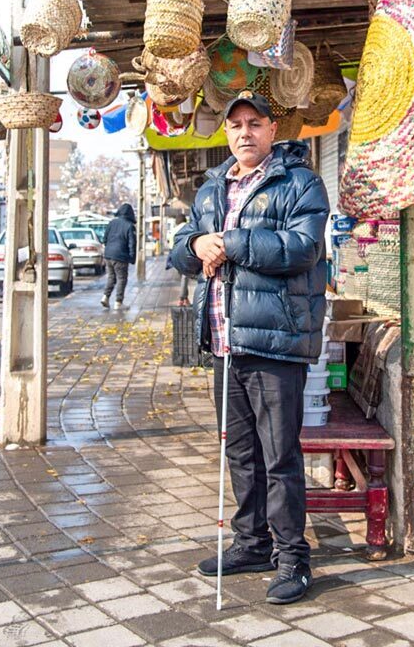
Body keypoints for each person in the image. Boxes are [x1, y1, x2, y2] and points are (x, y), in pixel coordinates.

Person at [170, 91, 327, 605]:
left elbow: (302, 249)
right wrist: (197, 246)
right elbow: (184, 246)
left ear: (272, 129)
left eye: (254, 123)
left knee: (279, 455)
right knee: (240, 452)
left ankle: (292, 559)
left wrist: (231, 242)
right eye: (235, 125)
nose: (243, 133)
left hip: (276, 343)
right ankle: (251, 543)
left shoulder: (299, 183)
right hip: (224, 342)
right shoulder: (213, 187)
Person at [100, 203, 136, 310]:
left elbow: (105, 239)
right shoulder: (129, 226)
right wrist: (132, 258)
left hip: (108, 255)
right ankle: (118, 302)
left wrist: (109, 249)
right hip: (120, 256)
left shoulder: (112, 223)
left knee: (111, 277)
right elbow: (132, 244)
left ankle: (105, 297)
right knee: (121, 278)